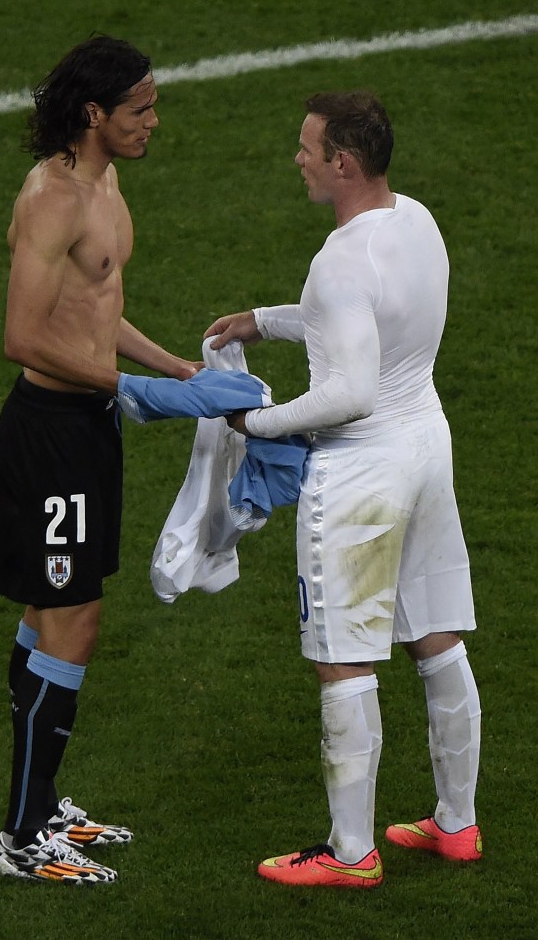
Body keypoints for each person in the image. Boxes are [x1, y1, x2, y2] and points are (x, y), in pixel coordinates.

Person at [204, 90, 482, 888]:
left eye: (308, 148)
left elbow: (349, 389)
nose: (298, 158)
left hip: (362, 467)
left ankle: (351, 853)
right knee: (435, 634)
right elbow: (361, 320)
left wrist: (257, 424)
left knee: (342, 658)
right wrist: (266, 318)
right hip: (428, 445)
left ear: (343, 164)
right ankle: (456, 825)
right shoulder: (417, 220)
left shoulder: (338, 260)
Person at [0, 35, 204, 885]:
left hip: (90, 425)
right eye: (139, 109)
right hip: (50, 431)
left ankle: (41, 807)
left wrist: (175, 369)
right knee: (73, 617)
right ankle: (20, 834)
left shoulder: (106, 183)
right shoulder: (52, 199)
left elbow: (94, 311)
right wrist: (136, 391)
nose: (153, 121)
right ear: (93, 115)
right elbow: (23, 336)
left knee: (55, 615)